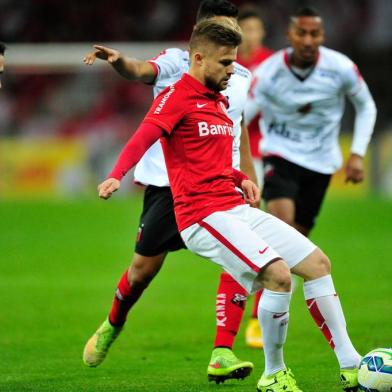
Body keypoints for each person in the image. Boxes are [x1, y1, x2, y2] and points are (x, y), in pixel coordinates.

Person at [94, 18, 361, 392]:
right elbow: (144, 136)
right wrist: (117, 175)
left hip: (232, 206)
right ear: (199, 58)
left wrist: (241, 178)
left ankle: (352, 364)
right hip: (201, 216)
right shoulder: (175, 97)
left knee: (318, 264)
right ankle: (274, 374)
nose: (232, 70)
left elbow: (218, 162)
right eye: (225, 63)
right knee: (279, 276)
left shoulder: (219, 103)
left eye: (234, 62)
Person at [83, 0, 258, 384]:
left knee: (242, 258)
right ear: (198, 34)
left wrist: (247, 173)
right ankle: (113, 322)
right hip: (169, 184)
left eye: (230, 28)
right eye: (217, 28)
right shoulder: (177, 62)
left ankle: (222, 351)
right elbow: (141, 70)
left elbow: (239, 125)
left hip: (220, 185)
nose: (225, 37)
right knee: (143, 270)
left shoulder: (240, 75)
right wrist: (119, 62)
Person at [246, 6, 376, 238]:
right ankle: (269, 272)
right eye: (301, 33)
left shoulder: (341, 67)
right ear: (289, 35)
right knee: (281, 226)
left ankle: (282, 273)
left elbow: (366, 106)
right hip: (280, 154)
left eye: (314, 34)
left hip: (320, 160)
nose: (307, 40)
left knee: (299, 236)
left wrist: (357, 153)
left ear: (322, 36)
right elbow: (243, 116)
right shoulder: (268, 72)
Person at [236, 5, 274, 350]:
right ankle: (243, 313)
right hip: (230, 157)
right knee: (241, 236)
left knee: (263, 234)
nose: (249, 35)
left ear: (261, 33)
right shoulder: (226, 63)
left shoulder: (272, 63)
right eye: (243, 29)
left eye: (254, 29)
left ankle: (257, 316)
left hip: (263, 156)